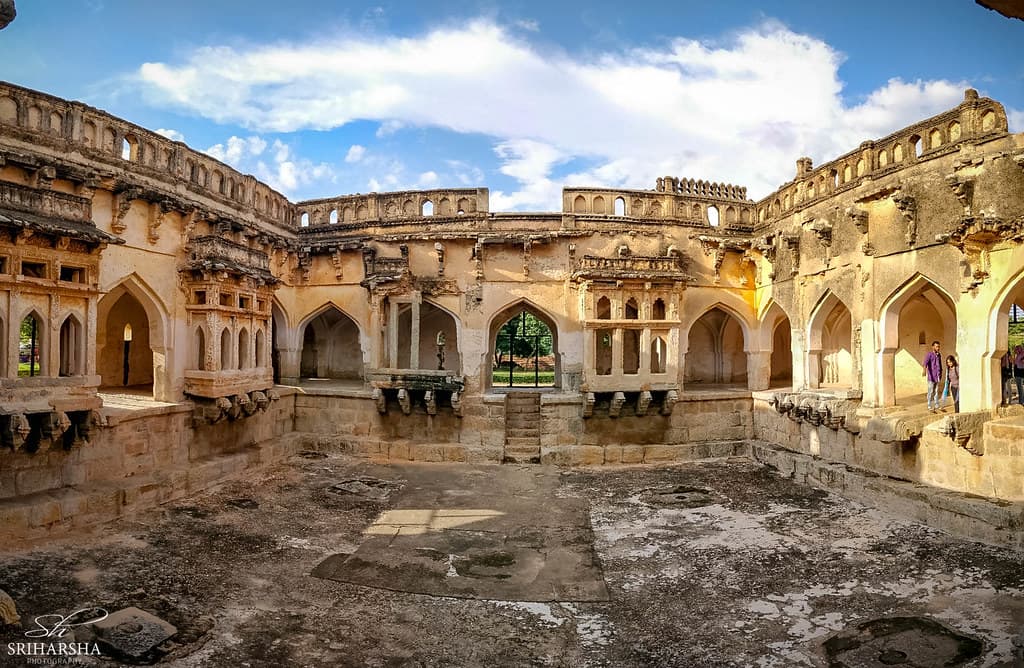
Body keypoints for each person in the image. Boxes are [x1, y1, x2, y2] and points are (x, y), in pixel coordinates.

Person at [922, 340, 943, 412]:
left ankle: (936, 404)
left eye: (939, 347)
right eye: (937, 346)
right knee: (930, 391)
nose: (938, 348)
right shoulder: (929, 354)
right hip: (931, 376)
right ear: (933, 347)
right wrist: (924, 370)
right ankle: (929, 404)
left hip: (937, 376)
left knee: (936, 391)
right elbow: (925, 363)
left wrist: (941, 373)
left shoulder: (939, 355)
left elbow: (940, 364)